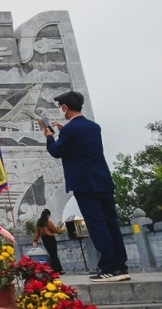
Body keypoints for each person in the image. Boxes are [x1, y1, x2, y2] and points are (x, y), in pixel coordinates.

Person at [41, 90, 130, 282]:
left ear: (65, 107)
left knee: (97, 225)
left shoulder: (71, 131)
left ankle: (108, 267)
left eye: (61, 108)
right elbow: (81, 145)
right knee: (111, 224)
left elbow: (57, 151)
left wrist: (49, 136)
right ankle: (121, 266)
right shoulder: (93, 127)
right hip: (103, 181)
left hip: (85, 185)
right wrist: (65, 132)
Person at [34, 209, 65, 274]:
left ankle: (57, 269)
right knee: (54, 254)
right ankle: (57, 269)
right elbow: (56, 231)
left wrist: (35, 241)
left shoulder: (39, 223)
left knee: (51, 254)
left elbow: (37, 232)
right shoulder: (48, 222)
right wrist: (62, 229)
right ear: (47, 215)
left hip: (44, 240)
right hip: (51, 239)